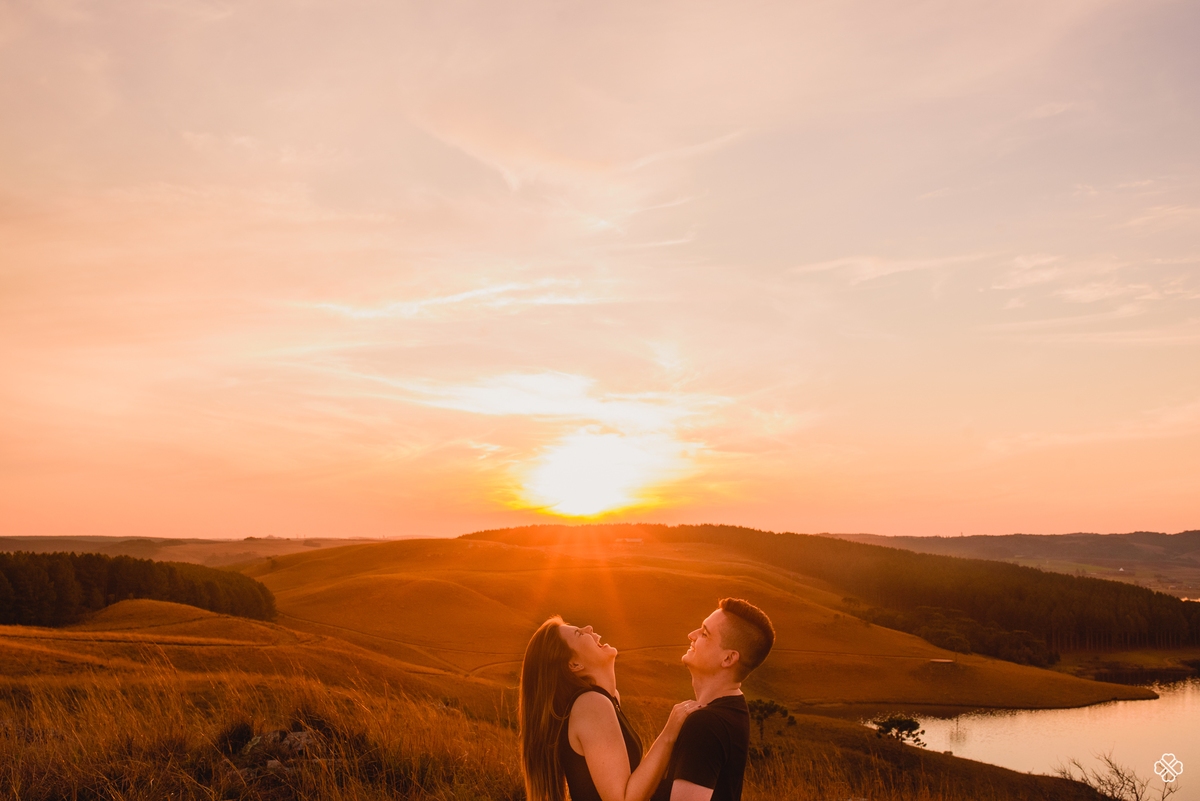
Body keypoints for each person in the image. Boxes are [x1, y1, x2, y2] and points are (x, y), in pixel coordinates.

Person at [520, 615, 702, 801]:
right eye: (578, 633)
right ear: (575, 665)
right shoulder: (591, 704)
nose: (589, 627)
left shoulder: (609, 698)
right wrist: (669, 734)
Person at [651, 598, 775, 801]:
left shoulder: (706, 725)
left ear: (728, 659)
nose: (691, 635)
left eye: (704, 634)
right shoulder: (736, 709)